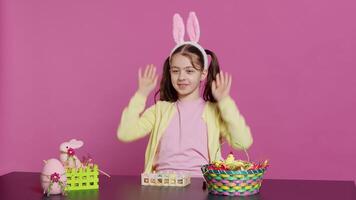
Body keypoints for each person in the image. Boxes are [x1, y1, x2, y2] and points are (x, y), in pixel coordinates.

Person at [117, 12, 253, 177]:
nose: (181, 77)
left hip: (202, 184)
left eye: (189, 71)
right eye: (176, 71)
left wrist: (225, 101)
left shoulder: (214, 112)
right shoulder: (160, 110)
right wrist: (140, 94)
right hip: (162, 186)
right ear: (170, 72)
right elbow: (125, 133)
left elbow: (243, 142)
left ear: (203, 74)